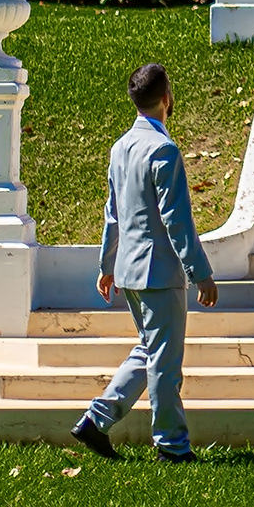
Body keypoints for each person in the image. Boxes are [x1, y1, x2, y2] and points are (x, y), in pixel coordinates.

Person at [70, 63, 218, 463]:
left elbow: (112, 214)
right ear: (167, 98)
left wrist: (106, 266)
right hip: (159, 272)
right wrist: (200, 273)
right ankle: (171, 445)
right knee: (166, 365)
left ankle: (94, 421)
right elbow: (177, 219)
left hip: (130, 272)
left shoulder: (120, 148)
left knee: (150, 351)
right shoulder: (164, 150)